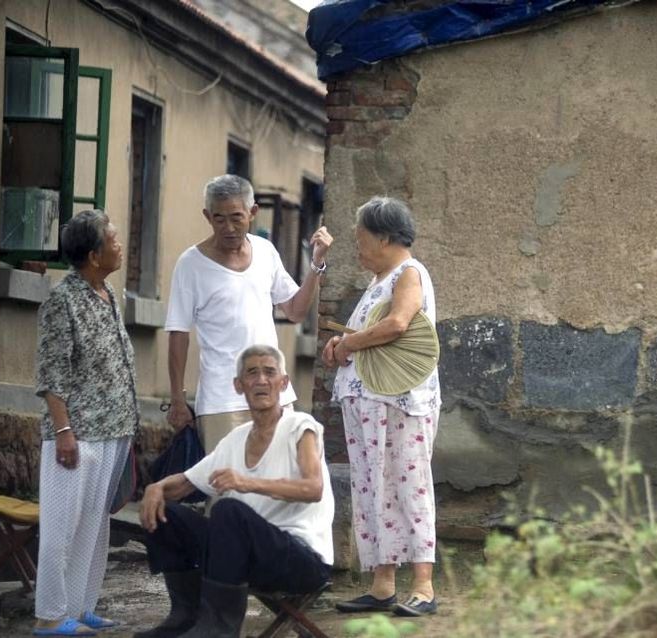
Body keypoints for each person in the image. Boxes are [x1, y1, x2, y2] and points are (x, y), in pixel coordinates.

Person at [135, 344, 334, 638]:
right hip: (246, 556)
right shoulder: (235, 440)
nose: (262, 380)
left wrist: (247, 482)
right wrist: (157, 488)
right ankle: (186, 616)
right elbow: (187, 482)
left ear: (284, 383)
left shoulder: (300, 427)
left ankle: (219, 627)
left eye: (270, 372)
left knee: (227, 512)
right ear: (239, 386)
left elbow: (313, 488)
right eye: (252, 373)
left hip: (301, 559)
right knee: (169, 514)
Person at [322, 197, 441, 617]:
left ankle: (423, 587)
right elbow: (370, 331)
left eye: (362, 239)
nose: (358, 248)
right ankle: (382, 584)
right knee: (374, 488)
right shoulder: (380, 280)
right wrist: (343, 345)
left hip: (399, 404)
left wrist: (349, 342)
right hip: (370, 403)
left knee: (409, 487)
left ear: (385, 238)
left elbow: (396, 325)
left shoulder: (409, 273)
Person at [165, 174, 333, 452]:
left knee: (280, 481)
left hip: (274, 394)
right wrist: (177, 399)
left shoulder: (266, 252)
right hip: (222, 400)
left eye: (236, 217)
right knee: (227, 486)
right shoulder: (190, 264)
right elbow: (178, 334)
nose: (228, 227)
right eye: (219, 219)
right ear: (207, 216)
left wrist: (316, 264)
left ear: (253, 213)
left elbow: (294, 310)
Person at [33, 210, 139, 635]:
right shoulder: (64, 301)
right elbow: (51, 374)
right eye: (113, 240)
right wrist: (63, 431)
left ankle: (78, 607)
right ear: (94, 255)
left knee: (96, 525)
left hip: (114, 428)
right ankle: (49, 616)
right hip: (76, 433)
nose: (119, 245)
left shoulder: (108, 293)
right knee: (62, 527)